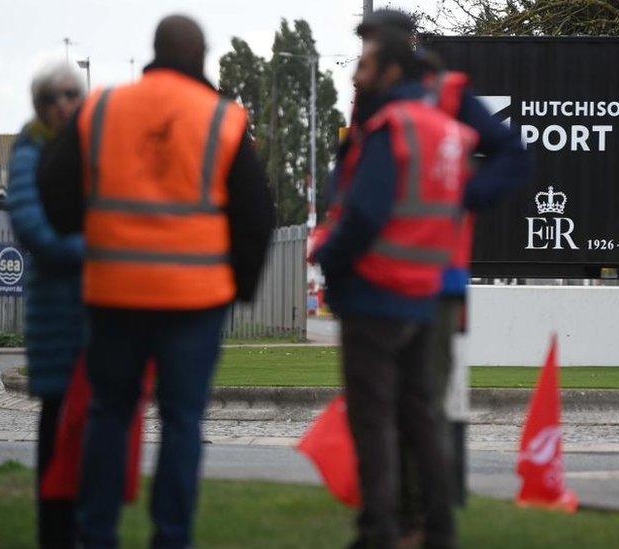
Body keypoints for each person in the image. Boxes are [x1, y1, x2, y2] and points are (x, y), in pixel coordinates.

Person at [38, 14, 274, 548]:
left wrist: (90, 235)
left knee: (109, 413)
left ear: (154, 50)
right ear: (200, 56)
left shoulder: (101, 109)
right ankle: (171, 537)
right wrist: (236, 287)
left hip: (115, 292)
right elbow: (257, 218)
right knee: (182, 421)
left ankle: (95, 534)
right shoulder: (223, 120)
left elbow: (54, 188)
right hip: (194, 300)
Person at [353, 9, 532, 543]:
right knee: (396, 406)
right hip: (386, 271)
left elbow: (512, 152)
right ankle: (400, 515)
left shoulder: (449, 95)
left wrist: (461, 198)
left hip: (438, 275)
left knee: (420, 402)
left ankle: (419, 519)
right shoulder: (373, 101)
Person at [310, 27, 480, 549]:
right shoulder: (443, 131)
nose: (357, 74)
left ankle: (378, 529)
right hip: (423, 292)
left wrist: (327, 260)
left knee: (374, 420)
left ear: (389, 72)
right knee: (420, 416)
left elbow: (364, 213)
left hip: (375, 292)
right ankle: (440, 526)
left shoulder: (392, 128)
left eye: (364, 65)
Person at [6, 60, 85, 549]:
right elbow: (28, 222)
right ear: (38, 104)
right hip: (54, 306)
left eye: (71, 94)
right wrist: (87, 250)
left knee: (89, 423)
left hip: (92, 305)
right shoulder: (28, 146)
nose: (63, 105)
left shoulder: (90, 144)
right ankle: (53, 531)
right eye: (53, 97)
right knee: (57, 415)